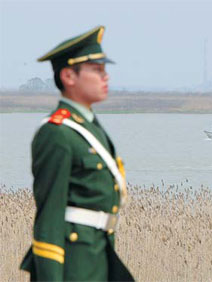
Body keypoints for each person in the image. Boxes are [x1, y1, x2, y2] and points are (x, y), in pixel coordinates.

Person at [20, 26, 134, 281]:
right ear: (69, 76)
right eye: (97, 70)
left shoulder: (91, 127)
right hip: (73, 267)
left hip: (97, 257)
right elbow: (48, 222)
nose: (106, 77)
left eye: (105, 70)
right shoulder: (57, 133)